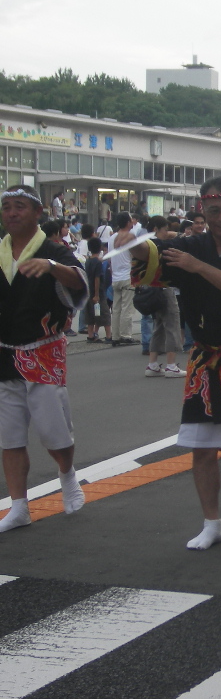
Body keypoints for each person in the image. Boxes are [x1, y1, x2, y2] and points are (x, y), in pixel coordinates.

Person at [129, 177, 221, 550]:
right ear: (202, 211)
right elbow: (155, 257)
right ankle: (212, 523)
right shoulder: (189, 244)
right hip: (204, 355)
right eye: (214, 211)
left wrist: (196, 266)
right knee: (202, 447)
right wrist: (133, 244)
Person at [0, 185, 88, 533]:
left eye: (19, 206)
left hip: (43, 351)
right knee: (9, 437)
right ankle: (19, 506)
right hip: (4, 351)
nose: (11, 213)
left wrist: (51, 266)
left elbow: (79, 280)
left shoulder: (54, 250)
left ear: (38, 212)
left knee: (55, 432)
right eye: (6, 206)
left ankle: (67, 475)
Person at [143, 216, 185, 378]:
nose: (167, 233)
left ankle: (152, 363)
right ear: (156, 229)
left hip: (151, 289)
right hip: (164, 288)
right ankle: (171, 365)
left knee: (159, 325)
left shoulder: (144, 244)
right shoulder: (158, 245)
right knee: (172, 324)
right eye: (165, 230)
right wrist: (178, 236)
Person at [107, 211, 143, 346]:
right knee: (127, 308)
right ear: (128, 222)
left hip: (115, 277)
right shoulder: (130, 237)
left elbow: (110, 258)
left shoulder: (112, 238)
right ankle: (126, 335)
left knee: (116, 309)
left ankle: (115, 336)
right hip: (128, 276)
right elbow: (136, 256)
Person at [83, 237, 112, 343]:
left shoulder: (88, 261)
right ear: (100, 248)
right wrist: (97, 294)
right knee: (105, 314)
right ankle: (108, 336)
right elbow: (97, 278)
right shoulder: (98, 262)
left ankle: (91, 336)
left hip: (89, 291)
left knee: (90, 315)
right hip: (98, 292)